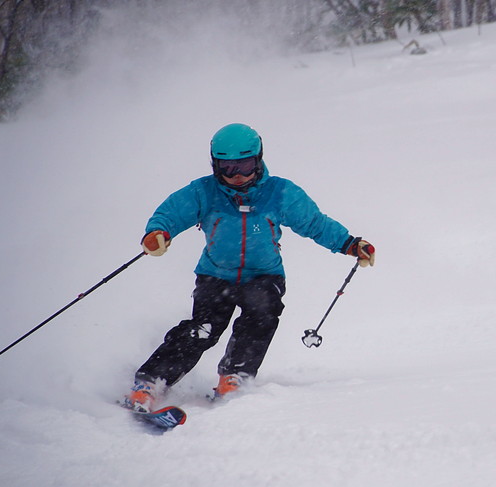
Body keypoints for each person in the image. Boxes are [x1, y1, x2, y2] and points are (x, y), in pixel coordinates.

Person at [123, 123, 375, 412]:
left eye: (244, 164)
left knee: (261, 314)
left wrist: (349, 244)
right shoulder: (203, 192)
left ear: (259, 159)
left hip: (264, 274)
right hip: (215, 275)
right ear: (215, 165)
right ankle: (150, 383)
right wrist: (158, 233)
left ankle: (234, 377)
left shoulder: (279, 192)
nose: (237, 174)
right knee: (203, 329)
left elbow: (314, 223)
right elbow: (170, 213)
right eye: (227, 168)